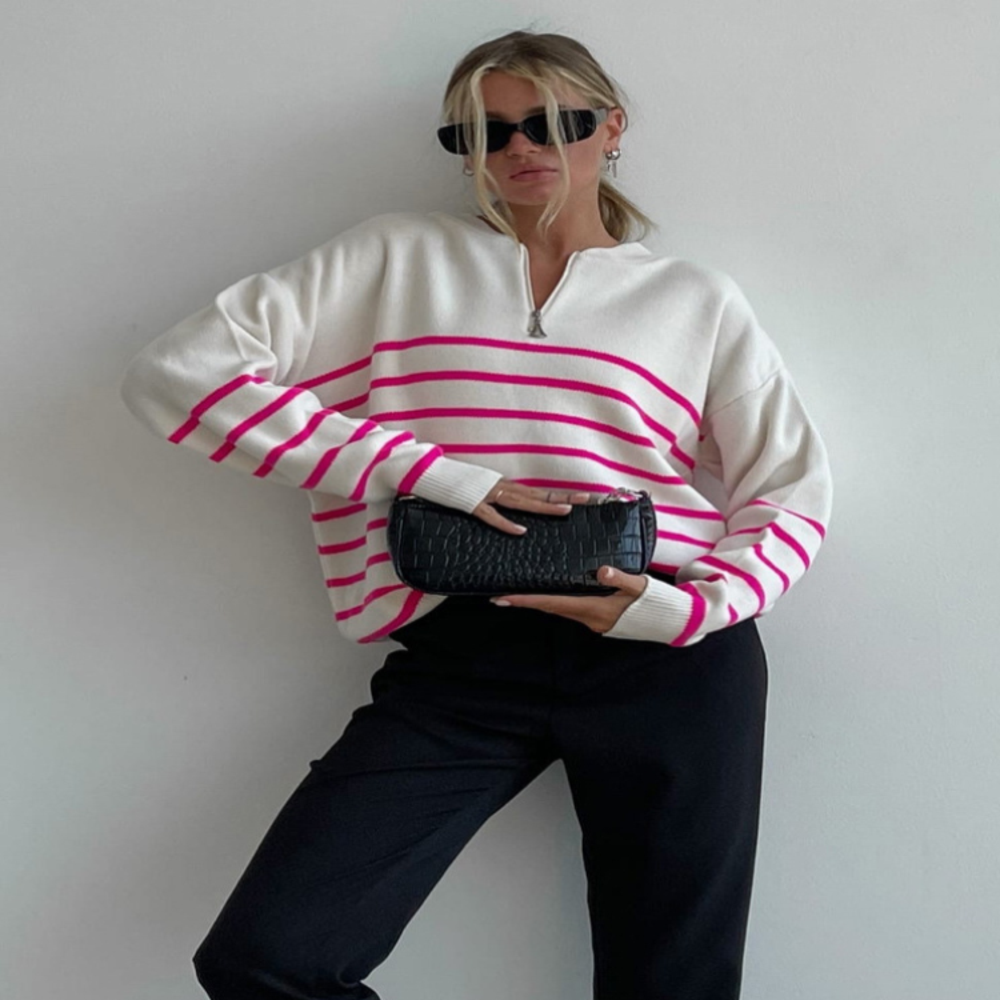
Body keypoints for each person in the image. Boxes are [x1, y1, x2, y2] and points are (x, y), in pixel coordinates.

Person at [119, 28, 833, 1000]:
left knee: (670, 985)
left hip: (666, 652)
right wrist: (431, 472)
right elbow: (177, 376)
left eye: (552, 122)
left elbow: (789, 486)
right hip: (466, 651)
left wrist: (692, 609)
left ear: (610, 127)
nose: (520, 147)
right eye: (486, 133)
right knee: (267, 957)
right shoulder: (395, 257)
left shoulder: (691, 300)